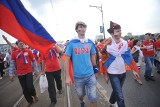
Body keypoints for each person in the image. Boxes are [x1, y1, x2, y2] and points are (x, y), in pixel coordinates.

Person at [102, 21, 140, 107]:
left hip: (123, 72)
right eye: (117, 31)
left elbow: (128, 57)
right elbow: (104, 61)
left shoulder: (124, 43)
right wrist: (105, 75)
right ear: (112, 33)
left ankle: (111, 102)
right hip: (112, 73)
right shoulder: (107, 46)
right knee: (120, 97)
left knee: (117, 91)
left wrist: (134, 70)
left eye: (120, 31)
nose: (120, 33)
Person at [65, 21, 99, 107]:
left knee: (93, 97)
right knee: (80, 95)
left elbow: (92, 56)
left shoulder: (90, 42)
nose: (82, 28)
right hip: (78, 77)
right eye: (80, 27)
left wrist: (95, 69)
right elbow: (66, 59)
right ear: (76, 30)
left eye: (84, 26)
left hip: (90, 75)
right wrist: (67, 76)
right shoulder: (72, 43)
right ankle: (82, 101)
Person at [9, 41, 39, 107]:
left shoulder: (29, 51)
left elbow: (34, 61)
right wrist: (11, 74)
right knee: (25, 89)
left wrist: (36, 71)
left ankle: (34, 95)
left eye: (23, 43)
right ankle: (29, 101)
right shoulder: (14, 53)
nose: (22, 45)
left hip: (29, 72)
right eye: (20, 44)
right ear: (17, 45)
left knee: (30, 86)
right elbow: (12, 64)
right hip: (20, 74)